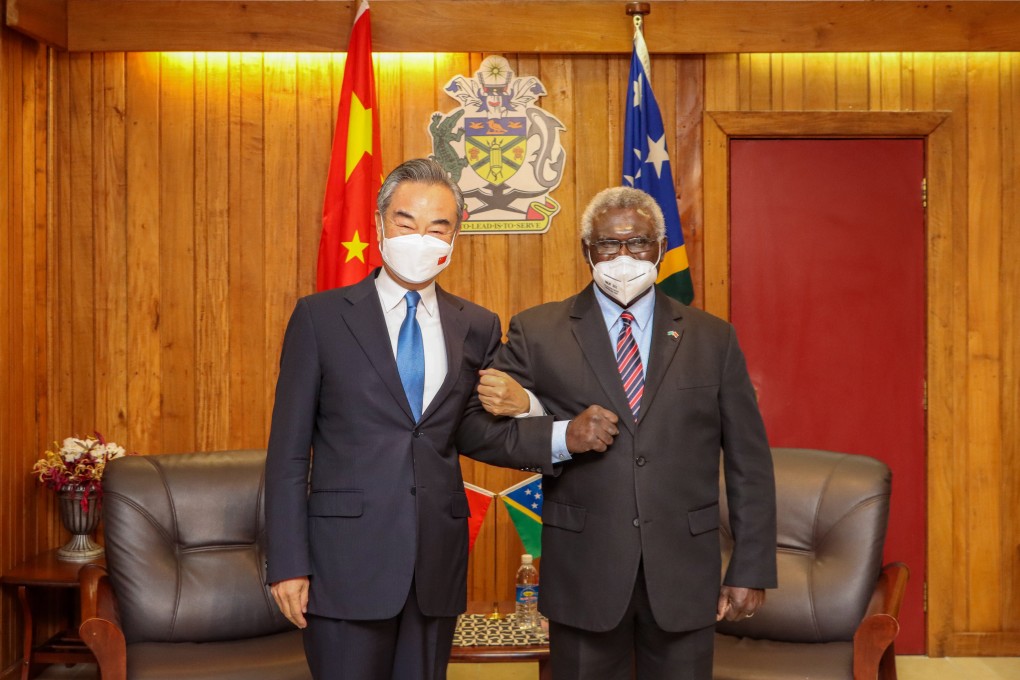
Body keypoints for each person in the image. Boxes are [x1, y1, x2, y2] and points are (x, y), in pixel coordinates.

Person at [264, 158, 565, 680]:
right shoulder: (319, 318)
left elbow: (471, 430)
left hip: (435, 563)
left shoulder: (475, 324)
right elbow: (288, 452)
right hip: (344, 563)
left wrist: (537, 414)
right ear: (380, 224)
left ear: (456, 233)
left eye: (437, 226)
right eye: (406, 223)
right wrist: (288, 562)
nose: (419, 237)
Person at [472, 186, 778, 680]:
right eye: (607, 245)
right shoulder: (539, 330)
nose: (623, 257)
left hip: (684, 574)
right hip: (584, 573)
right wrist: (563, 436)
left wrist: (751, 566)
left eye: (637, 243)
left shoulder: (712, 338)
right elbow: (478, 432)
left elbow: (750, 461)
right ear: (586, 251)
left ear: (659, 247)